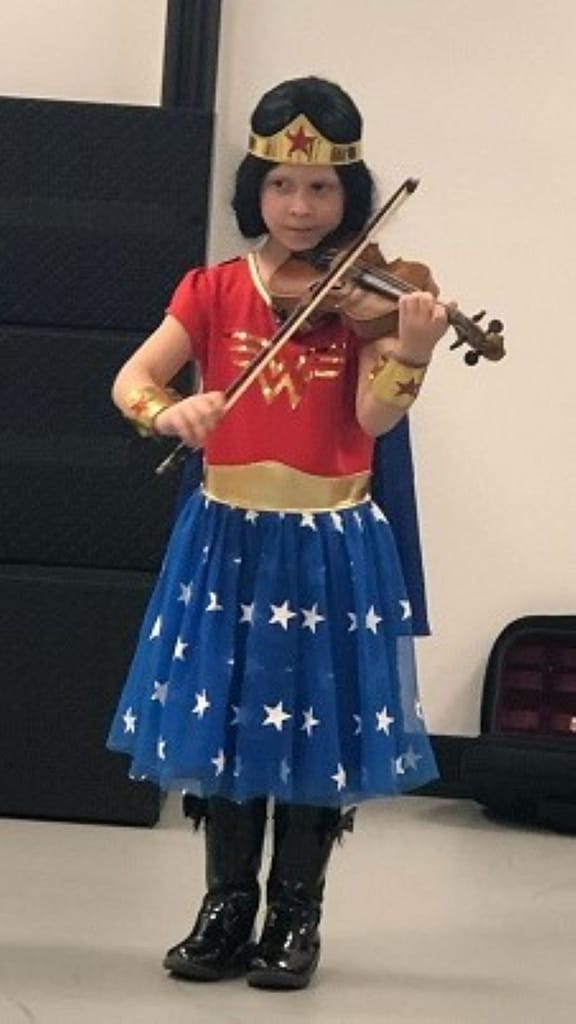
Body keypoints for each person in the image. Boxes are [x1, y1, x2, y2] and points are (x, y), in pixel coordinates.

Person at [107, 75, 450, 991]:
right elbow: (134, 377)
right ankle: (225, 905)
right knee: (225, 715)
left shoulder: (371, 296)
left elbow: (374, 424)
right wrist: (167, 414)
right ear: (253, 190)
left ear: (352, 194)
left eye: (323, 189)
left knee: (317, 725)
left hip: (327, 541)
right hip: (229, 538)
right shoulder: (214, 288)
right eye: (280, 185)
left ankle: (296, 909)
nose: (300, 207)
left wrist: (411, 355)